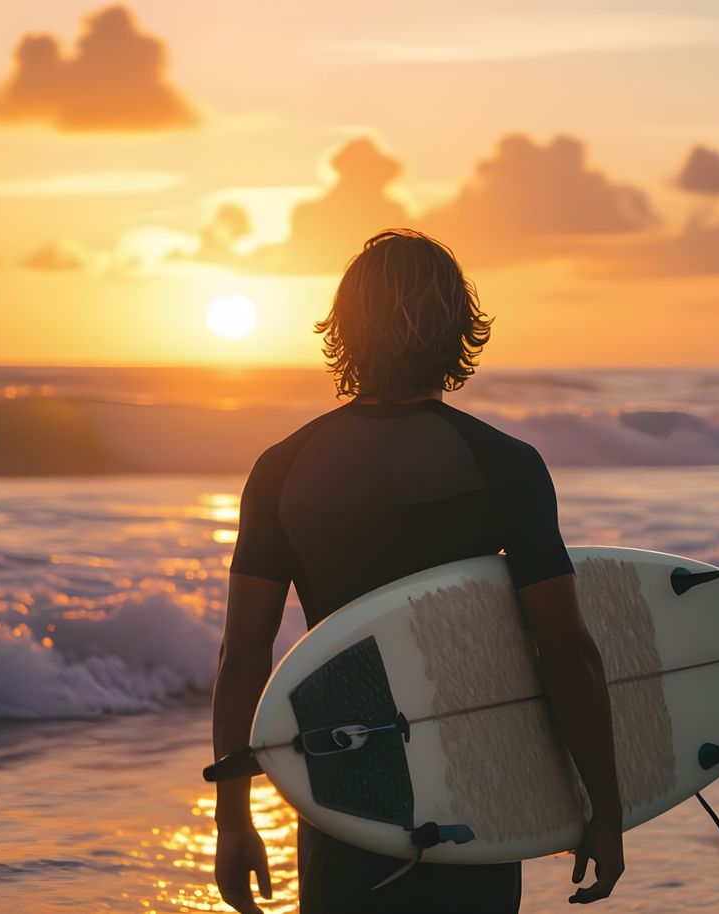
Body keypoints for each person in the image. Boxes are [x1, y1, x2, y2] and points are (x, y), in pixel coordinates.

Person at [210, 228, 624, 913]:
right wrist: (605, 808)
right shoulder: (503, 465)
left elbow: (244, 654)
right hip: (474, 780)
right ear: (459, 329)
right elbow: (564, 649)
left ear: (345, 331)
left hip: (341, 783)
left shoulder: (282, 469)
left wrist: (233, 820)